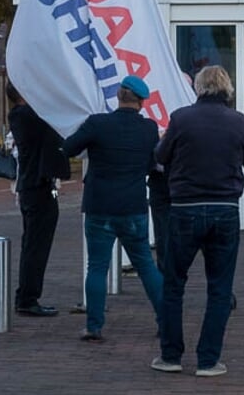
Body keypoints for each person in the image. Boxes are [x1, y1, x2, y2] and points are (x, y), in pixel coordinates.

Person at [151, 65, 244, 378]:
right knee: (220, 288)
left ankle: (171, 356)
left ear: (198, 88)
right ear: (226, 89)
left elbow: (160, 156)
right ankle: (208, 361)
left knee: (174, 284)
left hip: (185, 208)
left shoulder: (181, 118)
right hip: (224, 209)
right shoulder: (240, 122)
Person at [59, 75, 164, 342]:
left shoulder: (97, 123)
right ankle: (166, 320)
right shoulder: (149, 129)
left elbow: (68, 148)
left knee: (96, 267)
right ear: (141, 102)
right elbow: (155, 162)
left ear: (118, 95)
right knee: (146, 267)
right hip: (133, 206)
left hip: (100, 205)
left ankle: (94, 326)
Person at [7, 81, 70, 317]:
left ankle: (28, 294)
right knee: (35, 245)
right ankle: (27, 296)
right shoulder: (24, 116)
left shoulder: (24, 116)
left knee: (34, 243)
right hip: (36, 187)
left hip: (35, 186)